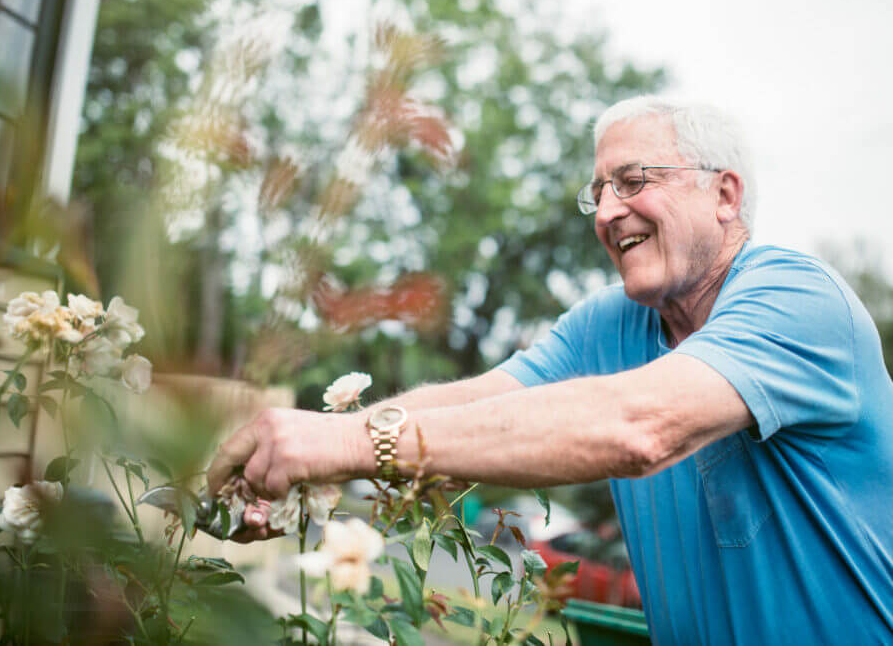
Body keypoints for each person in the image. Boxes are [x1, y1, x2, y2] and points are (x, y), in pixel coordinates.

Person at [208, 96, 893, 643]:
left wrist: (348, 443)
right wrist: (301, 456)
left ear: (723, 194)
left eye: (631, 181)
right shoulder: (609, 324)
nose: (605, 211)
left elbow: (637, 425)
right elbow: (474, 409)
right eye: (596, 191)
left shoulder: (796, 299)